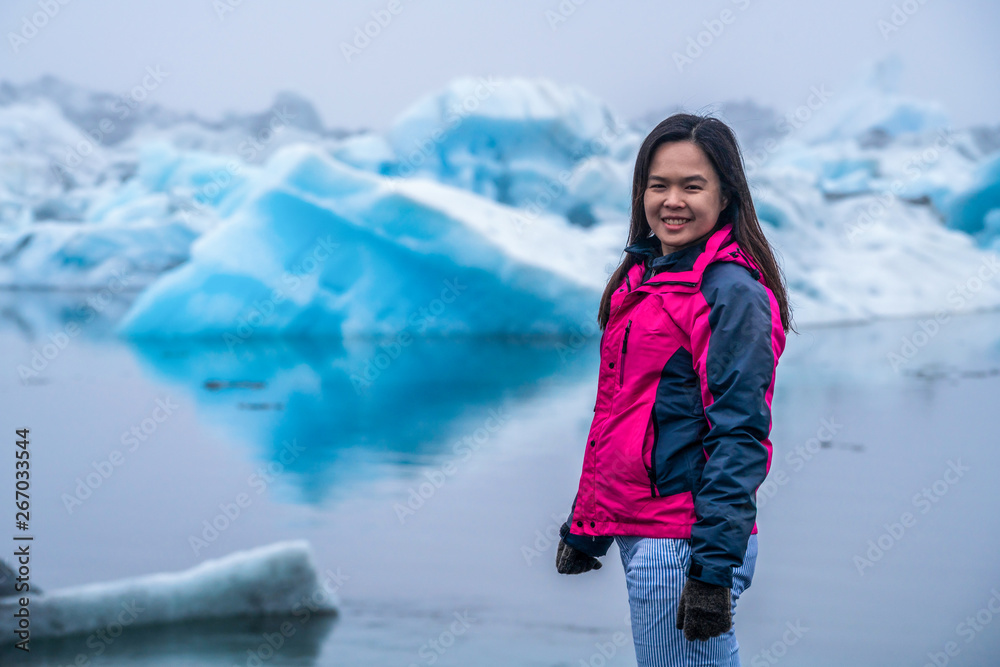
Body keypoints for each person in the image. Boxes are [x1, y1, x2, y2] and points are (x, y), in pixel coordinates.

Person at [555, 113, 796, 667]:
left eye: (692, 186)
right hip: (645, 533)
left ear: (726, 195)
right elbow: (623, 415)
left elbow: (739, 436)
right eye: (658, 185)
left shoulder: (730, 293)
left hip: (682, 545)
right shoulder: (645, 279)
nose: (672, 201)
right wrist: (588, 524)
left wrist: (711, 573)